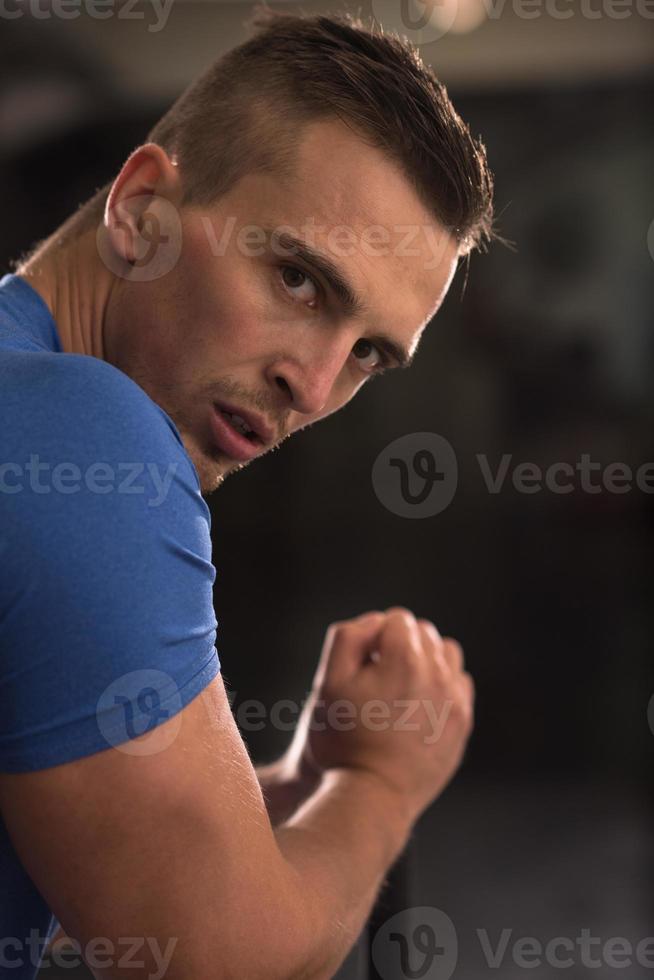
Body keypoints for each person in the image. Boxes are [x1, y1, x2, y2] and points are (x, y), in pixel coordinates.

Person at [0, 8, 494, 979]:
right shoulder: (77, 430)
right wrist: (382, 779)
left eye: (366, 355)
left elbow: (101, 856)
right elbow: (221, 956)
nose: (312, 388)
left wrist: (307, 783)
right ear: (142, 210)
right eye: (301, 280)